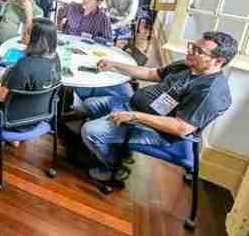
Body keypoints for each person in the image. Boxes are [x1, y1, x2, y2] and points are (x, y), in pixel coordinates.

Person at [80, 32, 237, 182]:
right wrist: (114, 65)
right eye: (192, 46)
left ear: (219, 61)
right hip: (134, 108)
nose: (190, 51)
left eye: (199, 51)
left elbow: (182, 128)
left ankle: (114, 167)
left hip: (156, 130)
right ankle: (115, 148)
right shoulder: (188, 65)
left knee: (90, 131)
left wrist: (135, 116)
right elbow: (151, 73)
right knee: (90, 104)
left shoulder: (210, 92)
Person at [0, 17, 62, 151]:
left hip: (13, 121)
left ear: (38, 39)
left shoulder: (24, 65)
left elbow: (2, 96)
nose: (22, 33)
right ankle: (14, 139)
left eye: (27, 32)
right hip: (40, 117)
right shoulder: (56, 59)